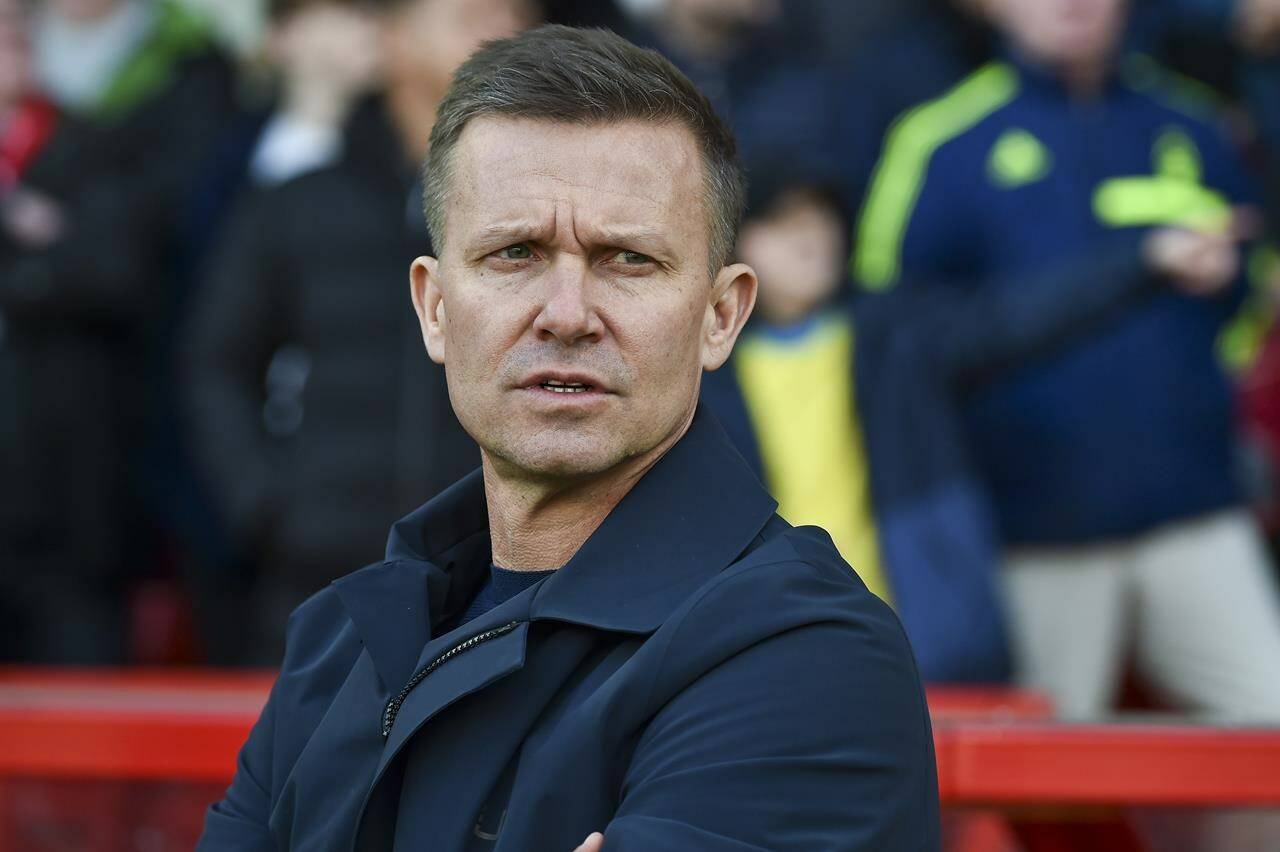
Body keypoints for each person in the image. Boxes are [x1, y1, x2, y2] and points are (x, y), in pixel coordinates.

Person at [197, 25, 939, 850]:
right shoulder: (341, 639)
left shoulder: (809, 661)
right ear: (435, 308)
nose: (566, 314)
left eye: (626, 259)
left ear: (720, 316)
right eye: (515, 253)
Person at [853, 0, 1280, 717]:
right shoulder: (941, 141)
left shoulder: (1194, 123)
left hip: (1196, 514)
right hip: (1035, 534)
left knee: (1265, 751)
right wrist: (1134, 268)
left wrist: (1224, 281)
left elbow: (1249, 304)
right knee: (1035, 790)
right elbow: (898, 340)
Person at [183, 0, 533, 664]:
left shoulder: (539, 208)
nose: (504, 30)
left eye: (518, 15)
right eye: (471, 15)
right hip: (322, 574)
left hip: (500, 577)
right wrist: (264, 507)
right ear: (393, 40)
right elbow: (214, 363)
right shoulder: (299, 201)